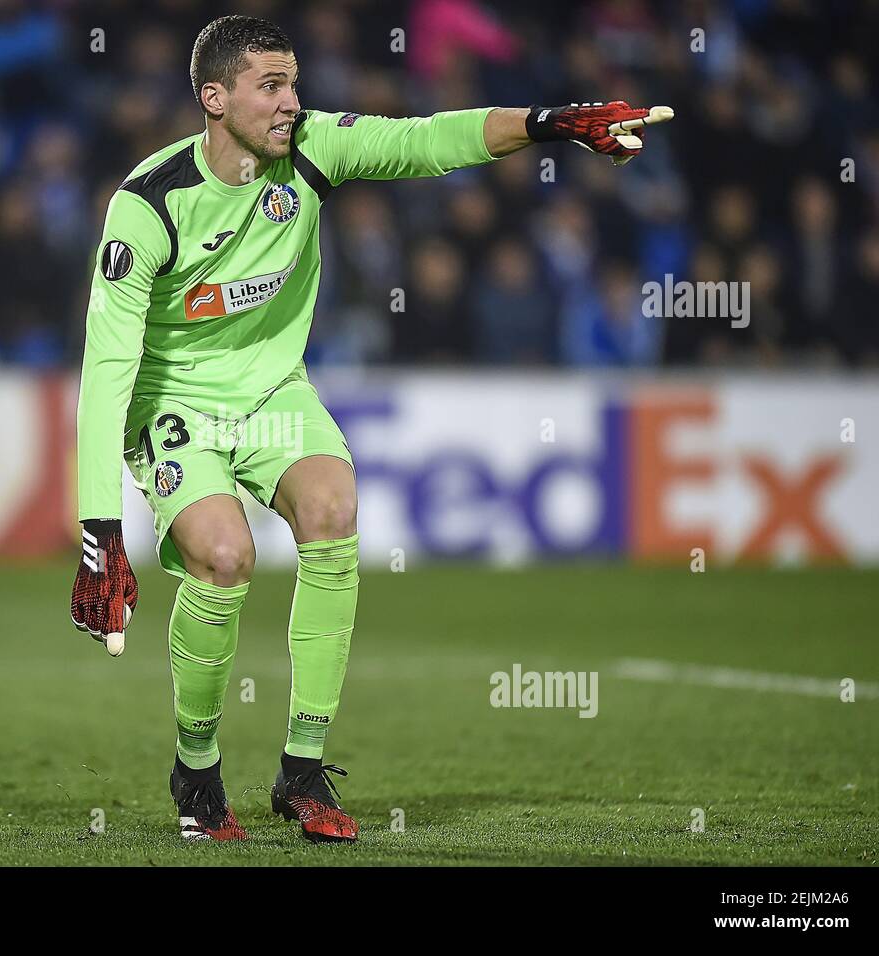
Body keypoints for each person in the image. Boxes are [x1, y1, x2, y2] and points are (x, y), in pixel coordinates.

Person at [70, 13, 667, 843]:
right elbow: (106, 370)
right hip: (175, 407)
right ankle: (197, 767)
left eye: (293, 83)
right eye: (270, 86)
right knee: (225, 556)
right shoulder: (147, 204)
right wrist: (100, 529)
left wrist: (547, 123)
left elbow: (429, 140)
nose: (291, 102)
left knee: (333, 510)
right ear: (214, 97)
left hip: (274, 391)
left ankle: (303, 770)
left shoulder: (315, 146)